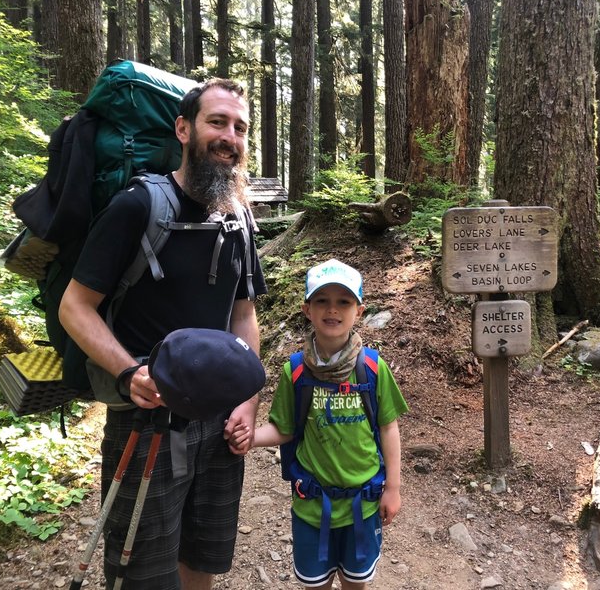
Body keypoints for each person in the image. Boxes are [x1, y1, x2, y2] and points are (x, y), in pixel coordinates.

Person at [58, 78, 267, 589]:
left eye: (239, 128)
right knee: (143, 574)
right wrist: (128, 372)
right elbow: (75, 306)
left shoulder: (237, 218)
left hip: (218, 422)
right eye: (217, 121)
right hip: (145, 421)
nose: (229, 136)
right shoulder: (137, 207)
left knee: (203, 556)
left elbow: (243, 318)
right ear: (183, 128)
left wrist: (248, 399)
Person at [228, 259, 408, 589]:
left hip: (363, 505)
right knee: (316, 583)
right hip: (312, 507)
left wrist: (393, 489)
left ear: (359, 310)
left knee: (356, 582)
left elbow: (388, 427)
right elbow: (285, 429)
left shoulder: (372, 368)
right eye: (322, 301)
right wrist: (250, 438)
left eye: (344, 302)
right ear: (307, 309)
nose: (333, 310)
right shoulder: (295, 372)